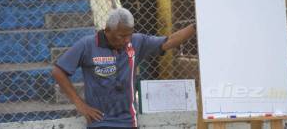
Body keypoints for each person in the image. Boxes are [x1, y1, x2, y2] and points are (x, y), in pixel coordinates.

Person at [51, 7, 196, 129]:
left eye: (129, 35)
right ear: (107, 30)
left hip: (128, 122)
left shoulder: (137, 42)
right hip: (99, 123)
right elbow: (58, 71)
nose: (126, 40)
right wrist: (80, 105)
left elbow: (170, 40)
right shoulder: (87, 45)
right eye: (121, 36)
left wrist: (197, 24)